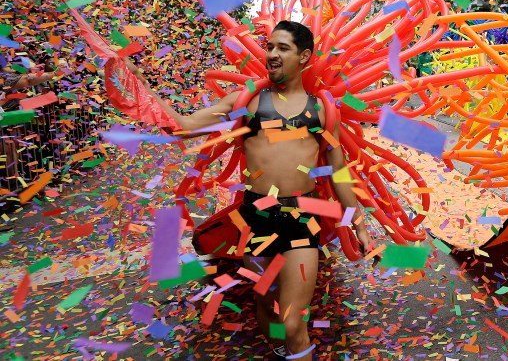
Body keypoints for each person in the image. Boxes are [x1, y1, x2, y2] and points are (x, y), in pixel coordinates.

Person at [122, 20, 373, 361]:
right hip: (257, 217)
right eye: (269, 46)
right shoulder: (249, 102)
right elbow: (185, 126)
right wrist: (140, 86)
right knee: (267, 309)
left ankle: (293, 346)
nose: (271, 54)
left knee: (294, 321)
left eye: (282, 48)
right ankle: (281, 347)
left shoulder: (322, 109)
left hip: (302, 219)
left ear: (304, 57)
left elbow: (338, 170)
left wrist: (357, 221)